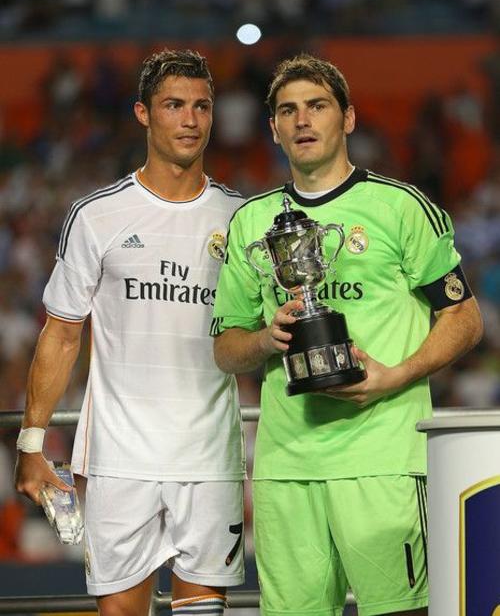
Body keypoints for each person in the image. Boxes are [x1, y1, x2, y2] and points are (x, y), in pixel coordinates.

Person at [212, 54, 483, 616]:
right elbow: (225, 346)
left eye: (317, 106)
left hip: (383, 458)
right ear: (273, 129)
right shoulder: (250, 222)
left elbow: (464, 317)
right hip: (287, 467)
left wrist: (395, 376)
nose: (302, 120)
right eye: (288, 111)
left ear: (349, 119)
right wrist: (268, 338)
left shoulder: (401, 207)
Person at [15, 49, 246, 616]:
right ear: (143, 113)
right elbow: (61, 333)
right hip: (121, 459)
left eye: (201, 106)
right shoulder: (97, 214)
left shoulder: (241, 217)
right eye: (174, 105)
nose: (190, 120)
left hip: (209, 456)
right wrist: (30, 442)